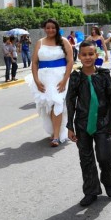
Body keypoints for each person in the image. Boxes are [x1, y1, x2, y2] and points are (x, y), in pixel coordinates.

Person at [66, 40, 111, 207]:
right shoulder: (75, 77)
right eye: (84, 55)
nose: (88, 57)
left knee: (105, 157)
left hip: (103, 122)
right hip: (82, 124)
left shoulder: (104, 75)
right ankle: (91, 191)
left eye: (91, 54)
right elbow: (70, 101)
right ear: (79, 57)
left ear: (96, 55)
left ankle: (108, 181)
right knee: (86, 159)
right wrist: (70, 126)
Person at [26, 18, 74, 146]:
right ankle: (54, 131)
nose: (50, 30)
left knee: (57, 103)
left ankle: (56, 137)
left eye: (53, 27)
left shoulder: (64, 42)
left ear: (57, 28)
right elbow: (35, 63)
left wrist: (64, 80)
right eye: (48, 27)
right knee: (48, 106)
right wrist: (36, 80)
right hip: (44, 78)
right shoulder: (40, 42)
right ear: (44, 29)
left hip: (59, 78)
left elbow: (70, 61)